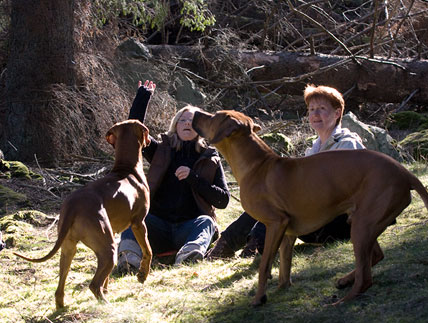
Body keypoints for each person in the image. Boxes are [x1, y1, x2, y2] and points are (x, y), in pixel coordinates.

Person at [206, 84, 365, 259]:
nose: (315, 114)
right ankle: (228, 245)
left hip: (339, 221)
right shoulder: (313, 148)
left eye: (321, 109)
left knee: (274, 202)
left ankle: (254, 247)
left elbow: (343, 192)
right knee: (264, 198)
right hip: (313, 218)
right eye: (311, 109)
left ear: (337, 113)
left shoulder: (347, 144)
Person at [117, 80, 231, 272]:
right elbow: (134, 130)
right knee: (134, 219)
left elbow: (223, 200)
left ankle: (189, 256)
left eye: (193, 121)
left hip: (189, 228)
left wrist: (193, 178)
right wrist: (143, 97)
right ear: (175, 125)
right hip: (157, 227)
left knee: (207, 222)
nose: (187, 124)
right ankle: (130, 261)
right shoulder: (161, 149)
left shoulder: (210, 156)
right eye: (183, 120)